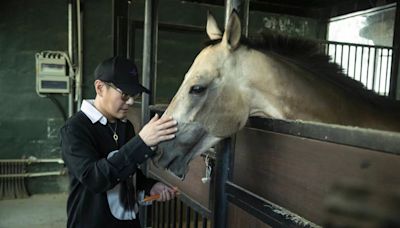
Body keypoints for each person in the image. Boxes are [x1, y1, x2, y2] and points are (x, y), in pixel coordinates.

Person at [60, 56, 178, 228]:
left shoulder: (125, 126)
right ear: (100, 88)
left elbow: (127, 174)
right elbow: (94, 178)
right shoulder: (74, 129)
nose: (130, 102)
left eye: (134, 95)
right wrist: (141, 143)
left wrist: (149, 187)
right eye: (124, 95)